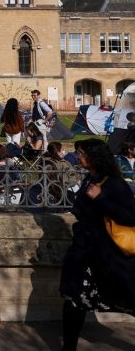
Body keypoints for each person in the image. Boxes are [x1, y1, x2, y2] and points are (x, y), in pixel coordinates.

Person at [59, 139, 135, 350]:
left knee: (127, 298)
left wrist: (101, 198)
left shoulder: (114, 184)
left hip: (108, 256)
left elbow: (130, 216)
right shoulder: (88, 180)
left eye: (82, 153)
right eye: (78, 152)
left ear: (95, 157)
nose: (78, 156)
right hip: (84, 253)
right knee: (74, 299)